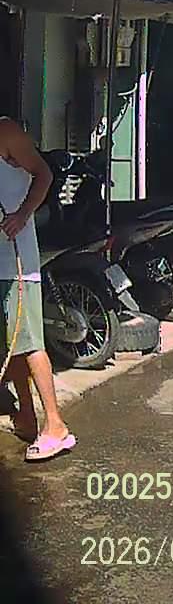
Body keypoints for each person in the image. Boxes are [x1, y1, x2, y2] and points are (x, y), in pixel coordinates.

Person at [0, 117, 70, 461]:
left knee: (29, 343)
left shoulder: (6, 131)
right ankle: (26, 416)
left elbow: (44, 175)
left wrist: (22, 215)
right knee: (11, 343)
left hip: (17, 259)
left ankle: (55, 425)